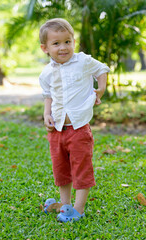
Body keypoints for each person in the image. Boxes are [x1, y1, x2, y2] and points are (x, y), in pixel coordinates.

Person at [39, 18, 110, 222]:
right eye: (56, 43)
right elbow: (48, 95)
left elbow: (102, 69)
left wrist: (101, 89)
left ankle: (79, 208)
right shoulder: (46, 73)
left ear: (73, 41)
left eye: (67, 41)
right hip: (57, 130)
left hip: (78, 128)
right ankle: (66, 205)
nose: (63, 47)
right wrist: (47, 114)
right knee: (61, 168)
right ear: (45, 48)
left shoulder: (83, 61)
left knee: (81, 167)